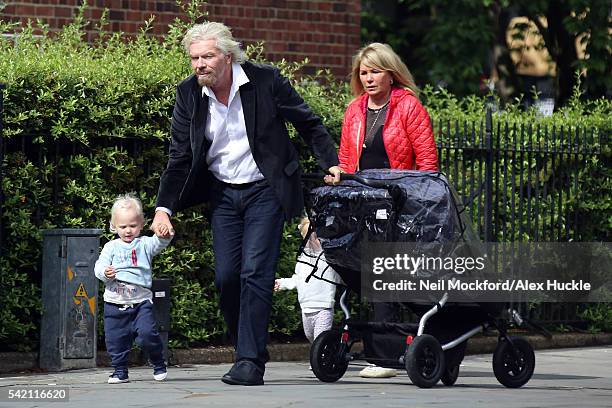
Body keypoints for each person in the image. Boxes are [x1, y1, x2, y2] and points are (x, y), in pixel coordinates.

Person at [151, 22, 343, 386]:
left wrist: (329, 161)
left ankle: (250, 361)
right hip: (222, 192)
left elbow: (308, 123)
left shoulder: (266, 81)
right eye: (194, 58)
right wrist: (164, 207)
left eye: (207, 56)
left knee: (256, 271)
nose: (199, 64)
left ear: (227, 56)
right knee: (226, 278)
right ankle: (248, 348)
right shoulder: (188, 94)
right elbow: (179, 157)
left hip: (266, 190)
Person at [326, 42, 439, 378]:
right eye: (364, 72)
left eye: (375, 71)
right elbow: (347, 161)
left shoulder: (409, 107)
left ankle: (384, 357)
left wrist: (416, 200)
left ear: (391, 74)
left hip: (402, 206)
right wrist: (340, 179)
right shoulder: (355, 110)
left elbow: (428, 164)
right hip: (365, 206)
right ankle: (381, 348)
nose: (369, 78)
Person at [94, 193, 174, 384]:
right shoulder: (110, 247)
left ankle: (158, 361)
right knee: (115, 339)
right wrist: (106, 272)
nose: (128, 230)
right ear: (114, 226)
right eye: (123, 226)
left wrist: (164, 234)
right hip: (115, 302)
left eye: (132, 226)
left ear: (141, 224)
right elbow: (98, 267)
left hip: (141, 302)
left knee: (148, 333)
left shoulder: (144, 244)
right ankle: (120, 370)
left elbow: (159, 242)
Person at [274, 217, 342, 345]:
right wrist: (282, 283)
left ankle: (319, 362)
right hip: (306, 308)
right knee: (310, 336)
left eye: (317, 237)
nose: (314, 241)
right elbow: (298, 279)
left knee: (320, 340)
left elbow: (339, 275)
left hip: (323, 307)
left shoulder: (329, 258)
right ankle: (321, 357)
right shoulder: (303, 260)